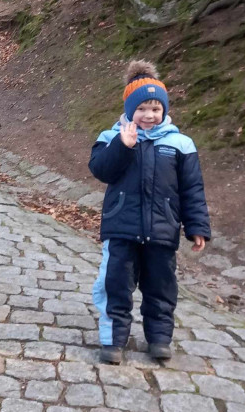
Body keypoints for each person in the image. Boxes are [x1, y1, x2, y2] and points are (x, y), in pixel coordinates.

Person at [89, 60, 210, 365]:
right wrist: (123, 145)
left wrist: (196, 226)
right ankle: (113, 340)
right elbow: (101, 170)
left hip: (162, 229)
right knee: (115, 285)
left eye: (155, 109)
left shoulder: (180, 144)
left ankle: (159, 339)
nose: (149, 115)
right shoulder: (111, 137)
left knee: (161, 288)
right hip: (121, 228)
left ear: (164, 110)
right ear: (130, 109)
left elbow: (192, 188)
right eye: (142, 108)